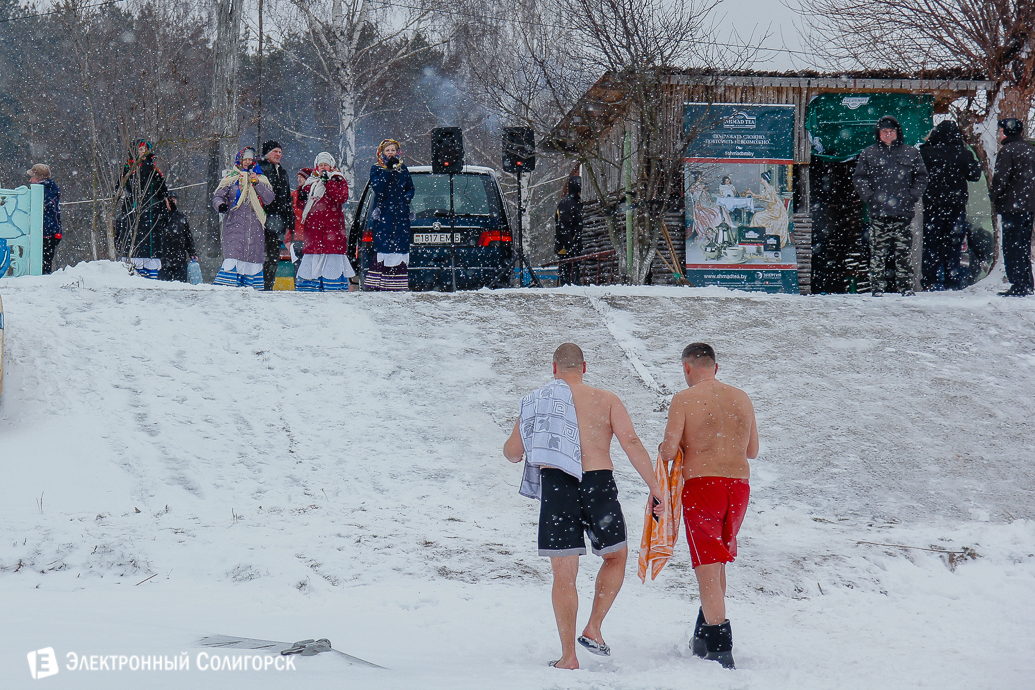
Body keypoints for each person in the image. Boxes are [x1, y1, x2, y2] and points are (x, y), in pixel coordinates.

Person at [503, 343, 663, 670]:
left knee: (564, 575)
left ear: (554, 369)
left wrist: (525, 449)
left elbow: (511, 451)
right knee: (615, 556)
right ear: (585, 367)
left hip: (557, 486)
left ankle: (568, 657)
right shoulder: (605, 399)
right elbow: (630, 441)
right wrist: (655, 486)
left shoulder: (538, 403)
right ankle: (594, 627)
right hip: (598, 483)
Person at [659, 343, 757, 670]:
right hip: (739, 486)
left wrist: (665, 445)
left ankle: (719, 645)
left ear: (687, 368)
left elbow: (670, 451)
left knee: (706, 565)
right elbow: (753, 450)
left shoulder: (684, 399)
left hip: (704, 485)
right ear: (716, 366)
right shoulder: (741, 397)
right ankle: (702, 634)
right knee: (717, 561)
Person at [852, 115, 928, 296]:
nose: (888, 135)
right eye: (884, 132)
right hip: (878, 212)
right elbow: (859, 177)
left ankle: (906, 287)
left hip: (903, 212)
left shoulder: (910, 153)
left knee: (904, 253)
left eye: (891, 132)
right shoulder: (869, 153)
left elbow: (922, 177)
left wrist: (913, 196)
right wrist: (869, 196)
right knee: (878, 253)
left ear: (898, 133)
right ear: (878, 134)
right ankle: (877, 288)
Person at [919, 121, 982, 291]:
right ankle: (952, 280)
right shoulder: (963, 153)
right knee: (953, 246)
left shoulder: (926, 153)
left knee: (931, 244)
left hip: (932, 206)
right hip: (956, 206)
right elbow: (974, 176)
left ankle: (930, 280)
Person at [212, 147, 275, 289]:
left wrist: (257, 183)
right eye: (245, 159)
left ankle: (249, 290)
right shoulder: (231, 178)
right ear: (239, 161)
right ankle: (227, 289)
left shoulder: (261, 179)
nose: (248, 162)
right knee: (233, 257)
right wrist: (221, 205)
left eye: (250, 160)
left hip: (255, 227)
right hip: (235, 225)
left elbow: (269, 199)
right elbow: (218, 196)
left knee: (252, 259)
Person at [294, 153, 354, 292]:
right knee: (313, 260)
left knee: (331, 260)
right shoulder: (311, 183)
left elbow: (341, 197)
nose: (323, 167)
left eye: (326, 165)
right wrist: (302, 196)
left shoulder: (338, 179)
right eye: (320, 165)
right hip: (314, 231)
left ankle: (332, 287)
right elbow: (302, 207)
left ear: (331, 166)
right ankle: (311, 288)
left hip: (332, 230)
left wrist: (328, 183)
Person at [990, 118, 1035, 297]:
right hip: (1029, 206)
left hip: (1012, 206)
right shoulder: (1030, 150)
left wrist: (994, 196)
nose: (999, 134)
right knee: (1023, 245)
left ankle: (1017, 283)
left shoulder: (1007, 151)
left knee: (1012, 246)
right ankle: (1026, 281)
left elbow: (1001, 178)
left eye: (1000, 130)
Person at [115, 139, 170, 279]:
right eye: (140, 149)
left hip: (152, 211)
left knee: (151, 243)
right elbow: (123, 187)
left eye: (145, 149)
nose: (143, 151)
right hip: (134, 211)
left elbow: (162, 190)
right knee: (136, 242)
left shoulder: (155, 170)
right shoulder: (129, 168)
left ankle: (151, 274)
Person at [365, 139, 414, 291]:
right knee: (384, 247)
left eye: (393, 150)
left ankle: (397, 282)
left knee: (399, 247)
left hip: (400, 215)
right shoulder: (376, 169)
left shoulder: (403, 169)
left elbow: (410, 187)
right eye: (388, 150)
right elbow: (378, 187)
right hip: (384, 214)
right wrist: (387, 170)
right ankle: (380, 282)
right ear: (382, 153)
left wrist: (406, 198)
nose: (391, 153)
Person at [260, 141, 293, 291]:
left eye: (280, 152)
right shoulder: (260, 169)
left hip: (278, 220)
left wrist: (289, 218)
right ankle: (258, 284)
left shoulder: (283, 172)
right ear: (267, 153)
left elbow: (287, 197)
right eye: (275, 151)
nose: (278, 154)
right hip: (263, 219)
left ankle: (268, 285)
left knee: (273, 255)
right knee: (261, 254)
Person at [26, 164, 62, 274]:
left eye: (33, 177)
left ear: (39, 178)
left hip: (46, 233)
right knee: (45, 261)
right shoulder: (50, 189)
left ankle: (42, 279)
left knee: (42, 262)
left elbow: (36, 208)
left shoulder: (43, 191)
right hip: (51, 231)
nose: (30, 180)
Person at [158, 192, 197, 282]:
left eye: (174, 199)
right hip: (163, 258)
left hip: (180, 258)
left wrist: (192, 253)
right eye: (170, 199)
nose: (172, 201)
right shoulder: (160, 216)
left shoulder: (181, 217)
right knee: (163, 285)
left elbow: (188, 236)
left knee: (181, 285)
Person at [746, 170, 791, 247]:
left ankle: (756, 236)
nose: (760, 179)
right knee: (756, 216)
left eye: (761, 178)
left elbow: (773, 201)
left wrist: (763, 200)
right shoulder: (766, 189)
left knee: (757, 216)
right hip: (772, 209)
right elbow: (761, 196)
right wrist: (752, 193)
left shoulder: (770, 189)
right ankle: (756, 236)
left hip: (776, 211)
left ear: (764, 179)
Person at [555, 176, 583, 286]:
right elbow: (563, 227)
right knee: (567, 277)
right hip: (565, 248)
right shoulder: (567, 203)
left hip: (574, 246)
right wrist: (570, 245)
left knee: (574, 275)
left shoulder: (576, 203)